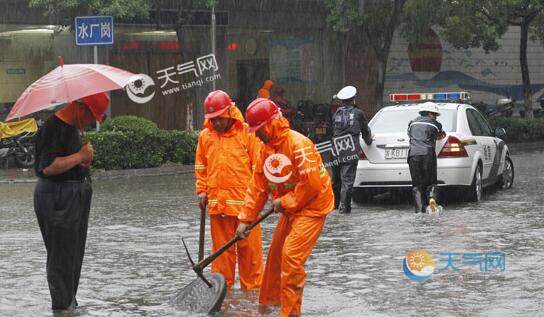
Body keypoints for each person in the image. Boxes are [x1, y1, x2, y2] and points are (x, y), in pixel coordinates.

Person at [235, 98, 334, 317]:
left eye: (259, 130)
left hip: (313, 208)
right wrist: (245, 219)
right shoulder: (265, 150)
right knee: (275, 258)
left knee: (290, 259)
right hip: (291, 208)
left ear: (270, 124)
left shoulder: (298, 144)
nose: (256, 135)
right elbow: (258, 187)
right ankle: (269, 307)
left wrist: (285, 201)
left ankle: (289, 314)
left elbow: (312, 185)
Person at [33, 92, 109, 311]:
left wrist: (84, 159)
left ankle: (69, 303)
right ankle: (62, 307)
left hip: (75, 195)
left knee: (74, 257)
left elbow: (75, 160)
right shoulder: (51, 127)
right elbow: (47, 167)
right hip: (57, 198)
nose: (91, 122)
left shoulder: (75, 128)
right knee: (61, 258)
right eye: (91, 116)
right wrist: (79, 157)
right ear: (80, 107)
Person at [194, 90, 263, 289]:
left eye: (219, 118)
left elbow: (257, 168)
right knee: (221, 259)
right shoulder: (205, 137)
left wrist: (257, 200)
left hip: (246, 208)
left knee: (250, 257)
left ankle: (252, 299)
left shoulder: (248, 134)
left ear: (229, 113)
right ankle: (223, 295)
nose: (216, 123)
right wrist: (201, 190)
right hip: (218, 206)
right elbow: (201, 166)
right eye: (212, 119)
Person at [331, 86, 372, 214]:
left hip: (336, 149)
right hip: (350, 149)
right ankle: (344, 209)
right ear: (353, 99)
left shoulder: (336, 113)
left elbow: (333, 130)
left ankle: (334, 207)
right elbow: (365, 131)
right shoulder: (358, 113)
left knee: (336, 180)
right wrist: (369, 141)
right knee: (347, 181)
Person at [407, 101, 446, 213]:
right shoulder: (435, 124)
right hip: (428, 154)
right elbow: (441, 135)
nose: (435, 117)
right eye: (434, 115)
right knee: (431, 182)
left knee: (417, 185)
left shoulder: (412, 123)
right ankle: (432, 199)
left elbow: (410, 135)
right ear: (430, 113)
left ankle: (419, 210)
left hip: (413, 155)